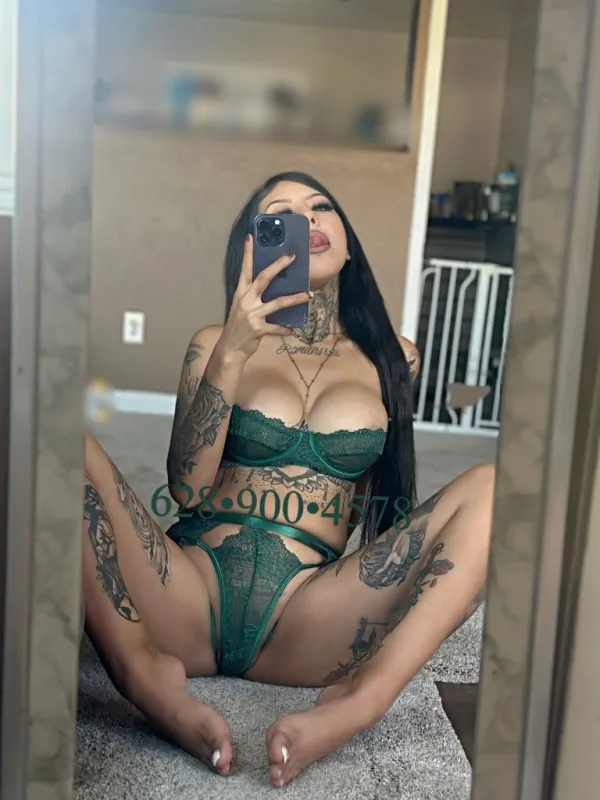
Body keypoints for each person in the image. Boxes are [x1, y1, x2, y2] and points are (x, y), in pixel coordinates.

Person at [83, 171, 494, 789]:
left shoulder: (395, 357)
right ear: (254, 245)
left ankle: (358, 702)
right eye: (282, 214)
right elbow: (187, 490)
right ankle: (142, 673)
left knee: (495, 490)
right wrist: (234, 349)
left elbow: (379, 502)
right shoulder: (213, 343)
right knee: (64, 445)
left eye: (321, 206)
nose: (307, 220)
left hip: (306, 617)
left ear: (348, 246)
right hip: (187, 595)